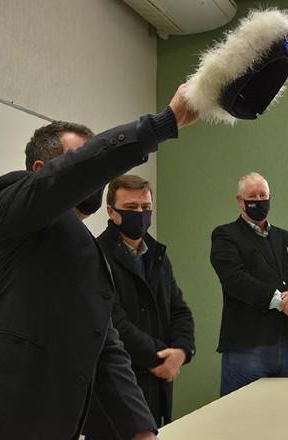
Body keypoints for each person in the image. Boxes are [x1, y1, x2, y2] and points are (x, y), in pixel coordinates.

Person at [0, 84, 198, 440]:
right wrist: (159, 126)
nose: (95, 176)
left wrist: (142, 431)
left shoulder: (88, 256)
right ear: (40, 170)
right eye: (82, 160)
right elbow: (74, 173)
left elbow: (104, 348)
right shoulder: (5, 204)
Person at [83, 175, 195, 437]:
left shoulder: (157, 254)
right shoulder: (96, 255)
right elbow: (114, 323)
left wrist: (182, 350)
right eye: (131, 208)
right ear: (111, 211)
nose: (141, 214)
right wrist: (161, 357)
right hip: (116, 388)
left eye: (146, 208)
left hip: (157, 386)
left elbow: (179, 309)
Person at [210, 172, 288, 396]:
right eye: (252, 196)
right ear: (240, 201)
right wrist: (283, 303)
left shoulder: (285, 237)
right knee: (244, 420)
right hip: (247, 347)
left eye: (263, 195)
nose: (258, 200)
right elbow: (236, 281)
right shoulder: (225, 236)